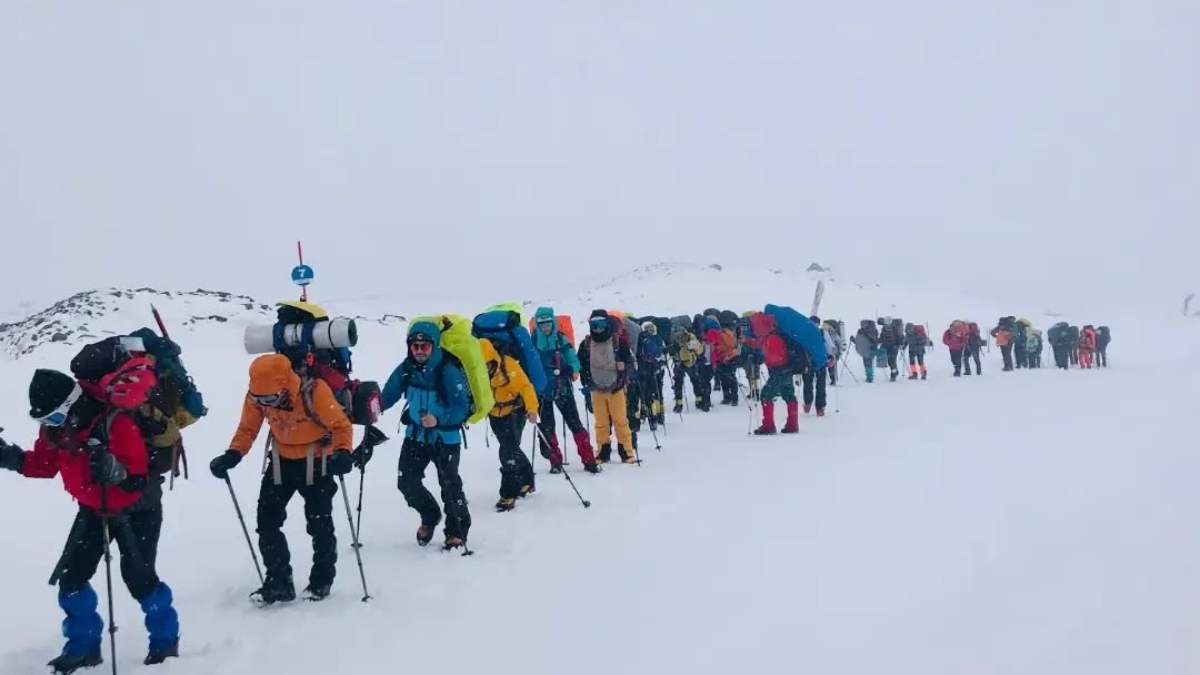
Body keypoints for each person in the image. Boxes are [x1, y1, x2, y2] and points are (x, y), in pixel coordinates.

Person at [1, 369, 180, 671]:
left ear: (71, 405)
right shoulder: (56, 430)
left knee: (140, 579)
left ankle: (165, 642)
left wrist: (116, 471)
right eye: (43, 420)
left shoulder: (115, 423)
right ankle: (83, 647)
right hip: (93, 509)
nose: (49, 425)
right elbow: (44, 464)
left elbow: (137, 478)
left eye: (53, 418)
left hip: (138, 510)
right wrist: (9, 457)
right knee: (72, 578)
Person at [210, 354, 353, 603]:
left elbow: (341, 425)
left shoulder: (315, 391)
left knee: (319, 524)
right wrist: (233, 454)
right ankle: (279, 582)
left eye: (271, 398)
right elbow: (248, 428)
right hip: (281, 462)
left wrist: (343, 452)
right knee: (267, 521)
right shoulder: (258, 395)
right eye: (260, 399)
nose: (266, 404)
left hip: (317, 462)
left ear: (286, 386)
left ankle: (321, 581)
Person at [377, 321, 473, 549]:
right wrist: (372, 407)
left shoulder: (448, 370)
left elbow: (462, 407)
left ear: (434, 346)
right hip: (415, 435)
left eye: (425, 346)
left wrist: (438, 419)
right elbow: (388, 394)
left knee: (449, 486)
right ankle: (430, 515)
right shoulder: (407, 367)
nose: (419, 351)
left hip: (445, 438)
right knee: (406, 482)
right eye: (415, 346)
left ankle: (457, 530)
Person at [531, 308, 599, 474]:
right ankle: (555, 462)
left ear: (552, 323)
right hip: (542, 392)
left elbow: (573, 358)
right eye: (542, 324)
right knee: (548, 427)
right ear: (538, 325)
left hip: (562, 388)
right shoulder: (533, 341)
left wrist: (572, 368)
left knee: (574, 424)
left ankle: (588, 460)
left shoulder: (561, 339)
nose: (545, 327)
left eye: (548, 324)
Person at [478, 338, 540, 512]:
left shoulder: (509, 365)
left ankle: (509, 493)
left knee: (507, 451)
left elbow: (526, 387)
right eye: (482, 366)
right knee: (511, 447)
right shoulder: (477, 372)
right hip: (494, 413)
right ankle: (527, 480)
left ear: (493, 359)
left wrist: (532, 409)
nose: (486, 369)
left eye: (487, 365)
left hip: (515, 412)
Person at [578, 311, 638, 464]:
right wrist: (586, 381)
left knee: (620, 421)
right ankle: (602, 452)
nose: (598, 328)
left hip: (616, 388)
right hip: (596, 389)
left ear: (607, 324)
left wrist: (624, 367)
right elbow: (581, 365)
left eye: (601, 324)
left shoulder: (618, 342)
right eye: (594, 324)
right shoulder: (586, 344)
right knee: (601, 423)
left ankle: (627, 451)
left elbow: (631, 362)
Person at [747, 313, 799, 434]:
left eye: (755, 326)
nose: (754, 329)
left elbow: (775, 357)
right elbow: (760, 344)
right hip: (787, 370)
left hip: (779, 371)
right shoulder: (772, 335)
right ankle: (793, 424)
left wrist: (760, 358)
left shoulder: (772, 338)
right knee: (789, 395)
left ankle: (768, 426)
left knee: (766, 395)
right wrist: (749, 342)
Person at [668, 322, 709, 413]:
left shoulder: (690, 338)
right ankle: (682, 403)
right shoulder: (685, 338)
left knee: (692, 382)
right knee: (683, 383)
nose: (679, 337)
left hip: (689, 362)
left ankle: (696, 401)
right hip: (682, 363)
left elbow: (699, 350)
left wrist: (691, 347)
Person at [801, 316, 835, 415]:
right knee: (821, 385)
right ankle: (820, 408)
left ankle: (807, 403)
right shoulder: (822, 332)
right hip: (821, 361)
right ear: (818, 323)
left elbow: (801, 346)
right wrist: (831, 357)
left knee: (807, 384)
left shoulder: (805, 332)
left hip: (808, 362)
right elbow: (829, 346)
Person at [637, 321, 668, 428]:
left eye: (651, 328)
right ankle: (656, 414)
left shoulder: (648, 339)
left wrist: (659, 363)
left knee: (653, 393)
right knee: (653, 393)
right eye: (648, 328)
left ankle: (656, 415)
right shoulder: (653, 339)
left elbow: (663, 353)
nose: (650, 330)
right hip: (652, 370)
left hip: (653, 369)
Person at [879, 318, 903, 382]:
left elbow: (900, 337)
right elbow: (882, 337)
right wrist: (878, 342)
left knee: (892, 361)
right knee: (890, 362)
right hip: (887, 347)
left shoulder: (895, 328)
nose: (886, 323)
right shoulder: (884, 328)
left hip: (893, 347)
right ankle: (895, 371)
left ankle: (893, 375)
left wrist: (899, 344)